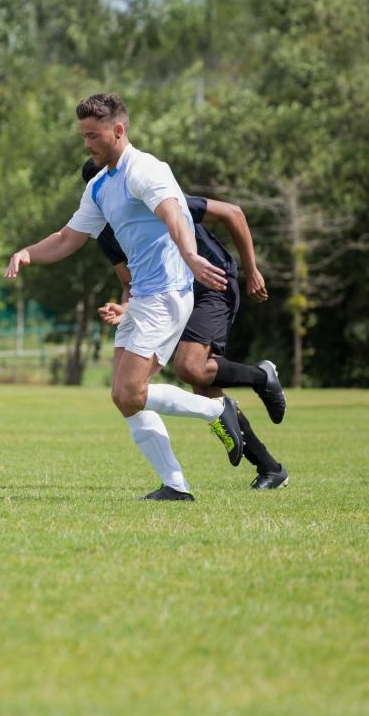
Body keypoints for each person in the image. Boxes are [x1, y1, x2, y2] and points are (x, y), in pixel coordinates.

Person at [5, 93, 243, 502]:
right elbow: (67, 238)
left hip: (166, 293)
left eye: (93, 135)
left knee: (129, 391)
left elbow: (173, 214)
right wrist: (28, 252)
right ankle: (175, 485)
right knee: (125, 398)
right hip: (143, 295)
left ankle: (219, 411)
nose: (87, 145)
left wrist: (190, 256)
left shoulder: (145, 170)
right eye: (82, 136)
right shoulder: (100, 185)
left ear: (118, 130)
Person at [85, 160, 289, 490]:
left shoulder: (151, 195)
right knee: (203, 386)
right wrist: (126, 308)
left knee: (191, 368)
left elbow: (233, 213)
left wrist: (251, 270)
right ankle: (269, 467)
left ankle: (261, 376)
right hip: (164, 297)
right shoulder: (106, 231)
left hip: (211, 284)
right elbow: (131, 280)